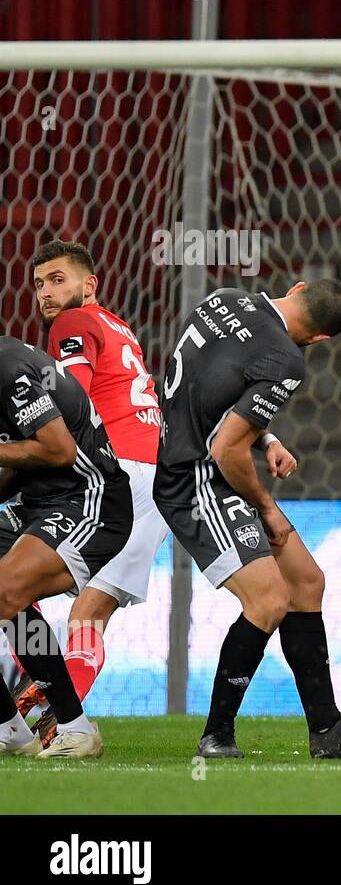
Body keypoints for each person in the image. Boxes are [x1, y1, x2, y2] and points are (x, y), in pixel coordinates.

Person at [153, 281, 341, 759]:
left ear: (298, 288)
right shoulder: (287, 361)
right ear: (322, 340)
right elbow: (225, 448)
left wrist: (266, 440)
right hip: (197, 480)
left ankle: (327, 728)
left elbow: (217, 382)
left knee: (307, 582)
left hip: (200, 462)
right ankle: (217, 734)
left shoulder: (224, 299)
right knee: (268, 599)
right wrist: (267, 508)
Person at [9, 241, 173, 747]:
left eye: (58, 279)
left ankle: (59, 720)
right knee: (87, 614)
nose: (46, 293)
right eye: (39, 284)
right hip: (154, 479)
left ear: (89, 284)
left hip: (111, 477)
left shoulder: (72, 327)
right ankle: (51, 708)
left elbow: (70, 394)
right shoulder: (118, 327)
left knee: (19, 590)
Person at [0, 336, 133, 758]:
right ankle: (10, 730)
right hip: (39, 502)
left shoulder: (8, 368)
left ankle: (75, 729)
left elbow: (58, 450)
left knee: (4, 592)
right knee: (9, 598)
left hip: (91, 499)